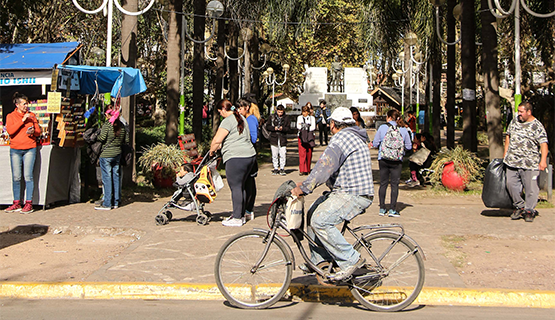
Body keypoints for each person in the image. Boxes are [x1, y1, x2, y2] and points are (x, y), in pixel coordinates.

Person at [291, 107, 374, 281]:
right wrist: (305, 183)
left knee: (320, 220)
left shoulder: (342, 138)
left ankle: (351, 260)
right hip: (345, 191)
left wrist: (304, 188)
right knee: (313, 211)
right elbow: (326, 168)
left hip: (353, 193)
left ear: (333, 124)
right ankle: (320, 260)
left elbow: (325, 166)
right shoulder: (354, 135)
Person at [210, 99, 256, 227]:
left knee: (236, 187)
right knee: (243, 185)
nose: (220, 114)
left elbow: (216, 140)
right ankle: (242, 214)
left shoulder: (227, 121)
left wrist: (211, 152)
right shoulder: (241, 117)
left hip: (236, 157)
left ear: (224, 110)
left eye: (220, 112)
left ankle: (237, 218)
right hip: (249, 155)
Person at [503, 101, 548, 222]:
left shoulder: (537, 126)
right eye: (518, 111)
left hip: (530, 163)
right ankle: (519, 205)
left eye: (522, 112)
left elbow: (543, 144)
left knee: (531, 189)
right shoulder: (514, 121)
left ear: (529, 112)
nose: (519, 114)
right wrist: (505, 154)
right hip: (512, 161)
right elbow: (508, 136)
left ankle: (529, 210)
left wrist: (543, 161)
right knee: (511, 184)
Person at [5, 92, 42, 213]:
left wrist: (33, 132)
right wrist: (22, 120)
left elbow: (38, 132)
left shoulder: (32, 115)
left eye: (27, 103)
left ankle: (29, 203)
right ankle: (16, 202)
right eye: (24, 104)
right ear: (17, 105)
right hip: (15, 149)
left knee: (28, 176)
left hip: (30, 148)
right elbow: (10, 131)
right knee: (16, 177)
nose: (26, 106)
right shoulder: (11, 116)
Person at [372, 109, 412, 217]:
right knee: (394, 184)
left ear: (389, 117)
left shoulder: (382, 127)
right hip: (397, 160)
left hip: (383, 158)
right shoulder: (403, 129)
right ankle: (393, 209)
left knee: (383, 183)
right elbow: (409, 146)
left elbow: (375, 144)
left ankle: (382, 208)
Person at [95, 104, 128, 210]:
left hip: (106, 154)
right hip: (117, 153)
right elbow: (126, 140)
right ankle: (116, 201)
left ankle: (107, 203)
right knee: (116, 176)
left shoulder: (107, 125)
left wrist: (97, 135)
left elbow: (102, 137)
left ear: (108, 115)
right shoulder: (122, 126)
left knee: (107, 178)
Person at [238, 98, 260, 221]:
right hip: (249, 152)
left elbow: (253, 137)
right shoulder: (248, 119)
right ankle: (248, 209)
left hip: (249, 152)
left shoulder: (250, 119)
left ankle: (248, 209)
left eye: (240, 108)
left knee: (249, 182)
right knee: (248, 182)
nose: (238, 110)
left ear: (246, 107)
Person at [266, 105, 290, 176]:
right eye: (279, 112)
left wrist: (283, 129)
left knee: (283, 153)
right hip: (274, 137)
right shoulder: (272, 117)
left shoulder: (286, 118)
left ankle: (282, 168)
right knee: (274, 154)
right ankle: (275, 168)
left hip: (282, 138)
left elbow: (289, 128)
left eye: (281, 112)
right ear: (276, 111)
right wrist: (274, 128)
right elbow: (267, 126)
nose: (280, 114)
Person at [297, 104, 316, 176]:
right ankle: (302, 169)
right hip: (301, 136)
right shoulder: (299, 118)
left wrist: (306, 128)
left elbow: (313, 127)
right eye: (303, 112)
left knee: (309, 153)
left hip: (309, 137)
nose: (304, 113)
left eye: (305, 112)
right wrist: (303, 127)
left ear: (308, 112)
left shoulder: (312, 118)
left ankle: (307, 169)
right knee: (302, 153)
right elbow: (298, 126)